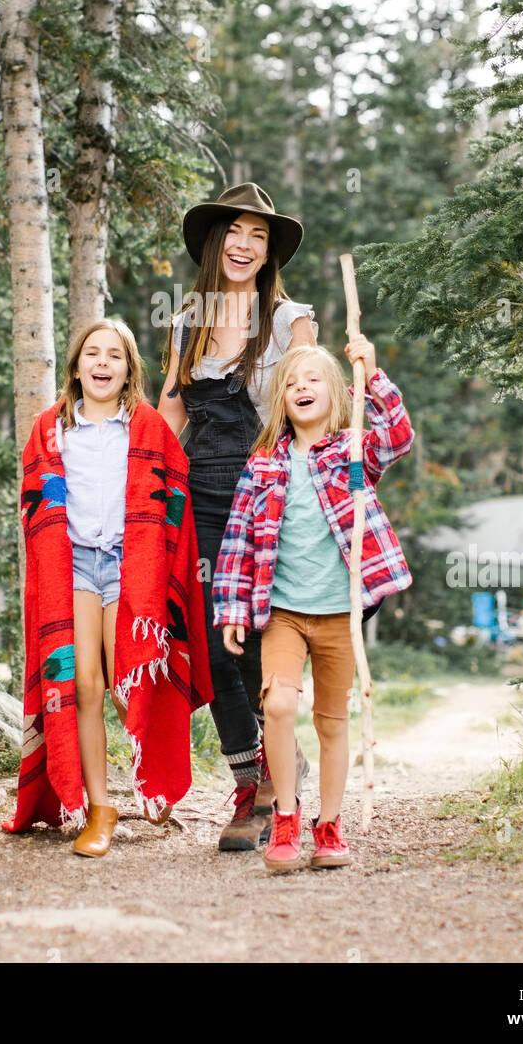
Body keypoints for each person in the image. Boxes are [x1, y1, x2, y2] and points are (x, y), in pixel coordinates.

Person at [2, 319, 212, 857]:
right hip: (70, 565)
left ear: (128, 370)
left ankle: (155, 775)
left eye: (114, 356)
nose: (102, 363)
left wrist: (162, 559)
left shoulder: (146, 428)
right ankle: (101, 808)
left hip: (129, 566)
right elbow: (34, 502)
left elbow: (175, 493)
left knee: (130, 680)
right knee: (84, 688)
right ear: (75, 367)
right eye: (91, 354)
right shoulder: (51, 428)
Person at [212, 341, 413, 872]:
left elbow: (397, 437)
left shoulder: (352, 452)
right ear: (281, 398)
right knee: (277, 706)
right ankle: (285, 816)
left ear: (337, 393)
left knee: (331, 720)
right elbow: (238, 540)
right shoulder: (264, 466)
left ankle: (329, 825)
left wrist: (372, 375)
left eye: (313, 380)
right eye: (292, 382)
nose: (302, 388)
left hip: (340, 614)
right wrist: (232, 608)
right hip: (282, 612)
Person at [158, 182, 316, 851]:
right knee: (215, 639)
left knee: (259, 635)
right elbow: (169, 414)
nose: (245, 245)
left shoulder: (291, 321)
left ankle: (285, 765)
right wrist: (147, 488)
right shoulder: (187, 319)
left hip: (269, 490)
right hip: (203, 492)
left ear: (268, 248)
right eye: (234, 232)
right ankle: (248, 784)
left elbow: (314, 400)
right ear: (215, 242)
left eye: (258, 234)